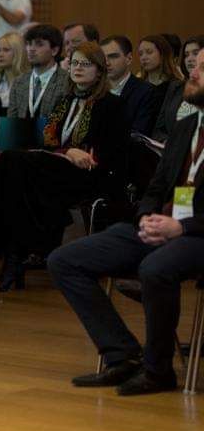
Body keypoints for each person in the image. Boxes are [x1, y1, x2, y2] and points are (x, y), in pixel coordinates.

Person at [47, 46, 204, 396]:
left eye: (203, 68)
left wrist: (182, 227)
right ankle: (122, 354)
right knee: (64, 261)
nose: (192, 72)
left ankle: (158, 370)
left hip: (197, 234)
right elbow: (157, 185)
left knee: (155, 269)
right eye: (194, 65)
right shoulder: (186, 127)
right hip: (161, 225)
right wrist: (147, 216)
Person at [0, 41, 130, 291]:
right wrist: (67, 152)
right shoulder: (64, 101)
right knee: (15, 174)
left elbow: (112, 154)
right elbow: (46, 140)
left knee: (14, 167)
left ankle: (14, 255)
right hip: (55, 169)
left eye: (85, 64)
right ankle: (17, 256)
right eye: (74, 63)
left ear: (99, 70)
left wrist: (74, 154)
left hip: (90, 174)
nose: (78, 68)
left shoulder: (112, 105)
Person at [8, 24, 68, 122]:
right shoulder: (18, 82)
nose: (31, 49)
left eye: (39, 44)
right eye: (28, 44)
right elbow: (12, 121)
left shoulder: (66, 81)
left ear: (54, 50)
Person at [101, 35, 159, 135]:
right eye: (102, 58)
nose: (106, 63)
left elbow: (139, 133)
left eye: (113, 57)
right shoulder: (95, 90)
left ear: (129, 58)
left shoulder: (146, 91)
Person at [155, 36, 204, 143]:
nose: (190, 59)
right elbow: (159, 128)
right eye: (186, 55)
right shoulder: (175, 87)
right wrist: (166, 142)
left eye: (195, 53)